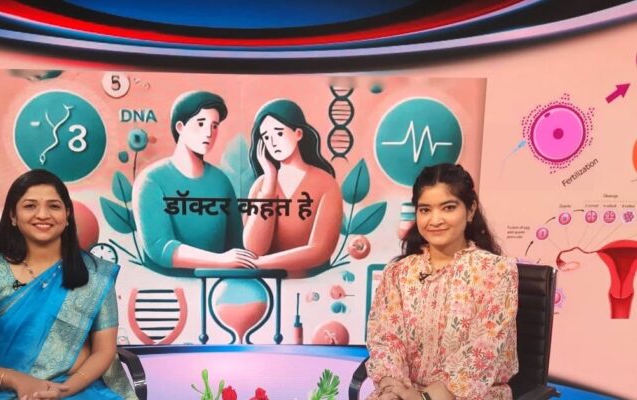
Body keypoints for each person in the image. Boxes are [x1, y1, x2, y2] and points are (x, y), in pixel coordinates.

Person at [0, 169, 136, 399]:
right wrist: (16, 380)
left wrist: (65, 390)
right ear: (13, 216)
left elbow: (104, 351)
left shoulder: (95, 274)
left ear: (67, 215)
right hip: (6, 388)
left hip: (77, 388)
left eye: (53, 206)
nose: (43, 214)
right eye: (30, 206)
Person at [365, 163, 518, 400]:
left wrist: (424, 398)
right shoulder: (397, 273)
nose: (435, 220)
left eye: (448, 208)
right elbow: (386, 340)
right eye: (425, 210)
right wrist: (392, 390)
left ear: (470, 210)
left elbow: (483, 351)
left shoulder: (497, 272)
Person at [133, 91, 256, 270]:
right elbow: (159, 248)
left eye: (214, 126)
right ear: (180, 127)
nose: (208, 133)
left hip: (219, 283)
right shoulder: (151, 180)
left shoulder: (220, 181)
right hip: (166, 283)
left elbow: (236, 244)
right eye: (200, 123)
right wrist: (221, 260)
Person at [243, 99, 342, 278]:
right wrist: (270, 182)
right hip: (266, 286)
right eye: (266, 137)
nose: (273, 142)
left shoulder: (326, 183)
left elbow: (320, 250)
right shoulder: (261, 185)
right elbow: (254, 248)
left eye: (279, 133)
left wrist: (261, 263)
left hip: (311, 286)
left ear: (298, 133)